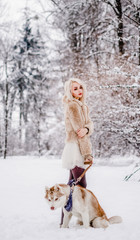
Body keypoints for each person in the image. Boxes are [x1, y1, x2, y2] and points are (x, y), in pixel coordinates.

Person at [60, 78, 94, 226]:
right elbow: (80, 133)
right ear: (70, 91)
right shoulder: (73, 105)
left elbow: (88, 125)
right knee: (81, 186)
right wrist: (87, 154)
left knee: (71, 185)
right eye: (75, 89)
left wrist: (87, 128)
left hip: (78, 146)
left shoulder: (83, 106)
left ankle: (64, 221)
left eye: (80, 87)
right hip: (76, 147)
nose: (79, 90)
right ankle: (83, 218)